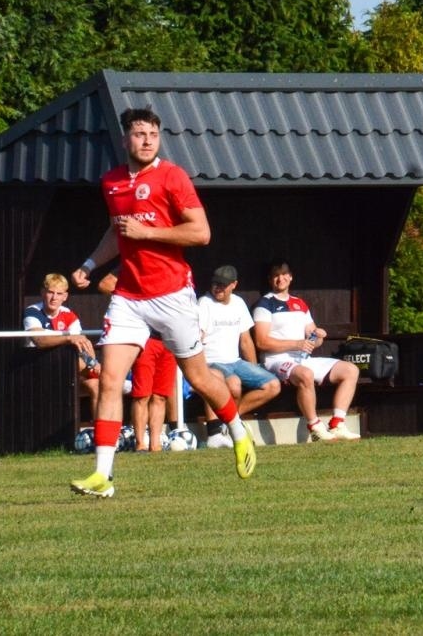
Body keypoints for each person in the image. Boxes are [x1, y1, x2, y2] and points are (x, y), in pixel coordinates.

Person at [69, 107, 256, 498]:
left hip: (172, 294)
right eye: (139, 134)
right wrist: (89, 263)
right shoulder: (112, 182)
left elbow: (200, 233)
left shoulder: (172, 176)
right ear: (126, 139)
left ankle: (239, 431)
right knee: (108, 379)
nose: (147, 140)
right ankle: (103, 476)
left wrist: (147, 232)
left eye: (153, 133)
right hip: (129, 297)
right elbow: (117, 231)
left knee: (200, 378)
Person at [253, 260, 362, 441]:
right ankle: (314, 426)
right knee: (305, 374)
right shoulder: (264, 304)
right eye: (276, 275)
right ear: (270, 279)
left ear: (290, 277)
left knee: (351, 370)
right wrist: (297, 344)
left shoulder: (300, 304)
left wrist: (318, 336)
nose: (280, 279)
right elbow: (262, 342)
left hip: (302, 358)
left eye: (284, 274)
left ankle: (337, 424)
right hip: (276, 360)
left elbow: (312, 338)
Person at [197, 264, 283, 446]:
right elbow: (198, 336)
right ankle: (227, 427)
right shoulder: (204, 303)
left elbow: (245, 340)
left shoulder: (238, 303)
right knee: (234, 385)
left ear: (233, 285)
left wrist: (254, 366)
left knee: (273, 385)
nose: (217, 288)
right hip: (211, 361)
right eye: (215, 284)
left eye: (222, 285)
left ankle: (230, 422)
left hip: (235, 361)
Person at [24, 272, 101, 407]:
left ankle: (99, 428)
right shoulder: (32, 312)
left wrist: (90, 360)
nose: (54, 298)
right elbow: (39, 341)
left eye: (59, 294)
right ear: (43, 293)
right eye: (50, 292)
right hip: (35, 366)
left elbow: (81, 343)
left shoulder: (69, 315)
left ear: (65, 296)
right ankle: (109, 375)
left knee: (96, 385)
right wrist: (68, 338)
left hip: (65, 367)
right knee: (101, 373)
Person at [128, 335, 177, 451]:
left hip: (169, 341)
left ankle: (155, 445)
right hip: (146, 340)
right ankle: (140, 444)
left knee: (160, 396)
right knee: (142, 396)